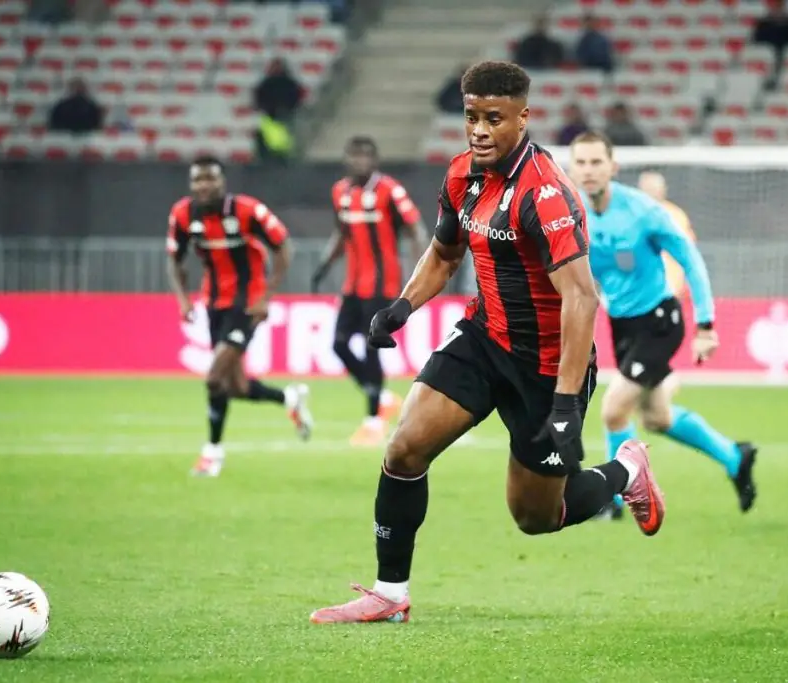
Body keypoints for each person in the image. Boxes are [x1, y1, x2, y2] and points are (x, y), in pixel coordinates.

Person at [309, 61, 666, 625]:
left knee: (537, 517)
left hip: (547, 368)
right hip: (484, 338)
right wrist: (403, 306)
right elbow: (447, 252)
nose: (478, 129)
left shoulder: (546, 194)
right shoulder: (461, 174)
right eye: (471, 116)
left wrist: (569, 405)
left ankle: (626, 471)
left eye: (492, 118)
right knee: (404, 450)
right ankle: (390, 593)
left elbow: (581, 299)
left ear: (522, 118)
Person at [568, 132, 757, 520]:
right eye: (581, 163)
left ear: (613, 167)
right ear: (572, 169)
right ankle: (734, 457)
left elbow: (691, 261)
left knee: (614, 410)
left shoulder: (643, 212)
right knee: (656, 417)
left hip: (658, 321)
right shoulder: (573, 213)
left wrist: (706, 324)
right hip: (621, 324)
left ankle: (614, 499)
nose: (588, 171)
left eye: (596, 162)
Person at [166, 155, 313, 477]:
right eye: (197, 180)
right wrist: (182, 300)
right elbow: (174, 260)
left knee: (214, 377)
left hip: (247, 305)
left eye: (210, 179)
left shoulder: (247, 210)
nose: (204, 185)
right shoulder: (182, 214)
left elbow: (284, 247)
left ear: (222, 182)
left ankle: (212, 454)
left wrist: (266, 296)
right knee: (235, 387)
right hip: (214, 303)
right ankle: (289, 397)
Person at [312, 137, 428, 446]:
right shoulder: (340, 192)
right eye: (355, 156)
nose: (360, 162)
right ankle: (380, 396)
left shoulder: (390, 190)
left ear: (375, 161)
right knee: (338, 344)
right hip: (353, 284)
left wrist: (422, 270)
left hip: (383, 284)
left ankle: (373, 420)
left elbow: (415, 227)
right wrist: (324, 265)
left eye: (366, 157)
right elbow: (341, 233)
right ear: (346, 160)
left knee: (369, 347)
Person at [637, 170, 696, 299]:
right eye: (648, 189)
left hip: (670, 289)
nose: (651, 192)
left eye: (654, 188)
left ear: (663, 190)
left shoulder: (676, 215)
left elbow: (688, 251)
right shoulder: (629, 216)